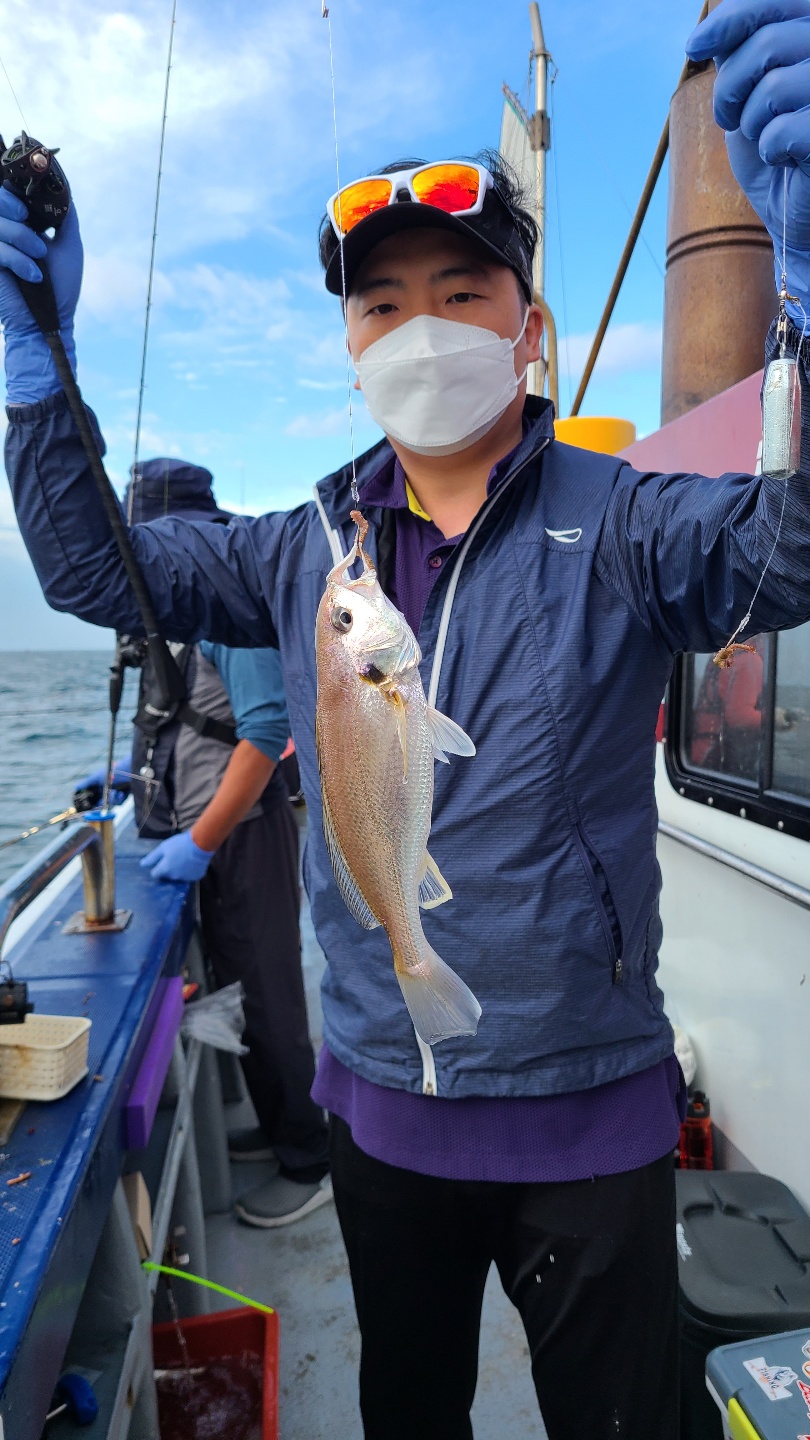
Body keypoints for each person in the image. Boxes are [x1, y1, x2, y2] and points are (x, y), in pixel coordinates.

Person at [2, 2, 810, 1432]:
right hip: (380, 1100)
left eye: (460, 290)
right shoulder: (301, 548)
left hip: (589, 1105)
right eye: (381, 305)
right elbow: (95, 573)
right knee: (410, 1407)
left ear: (529, 327)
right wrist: (36, 379)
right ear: (348, 342)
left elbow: (786, 552)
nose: (419, 327)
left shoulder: (624, 519)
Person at [79, 458, 331, 1227]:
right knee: (236, 987)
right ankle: (281, 1122)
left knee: (268, 996)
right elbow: (188, 726)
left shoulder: (226, 611)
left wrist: (200, 839)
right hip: (204, 834)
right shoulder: (173, 615)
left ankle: (310, 1159)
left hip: (241, 838)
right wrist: (128, 779)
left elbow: (264, 732)